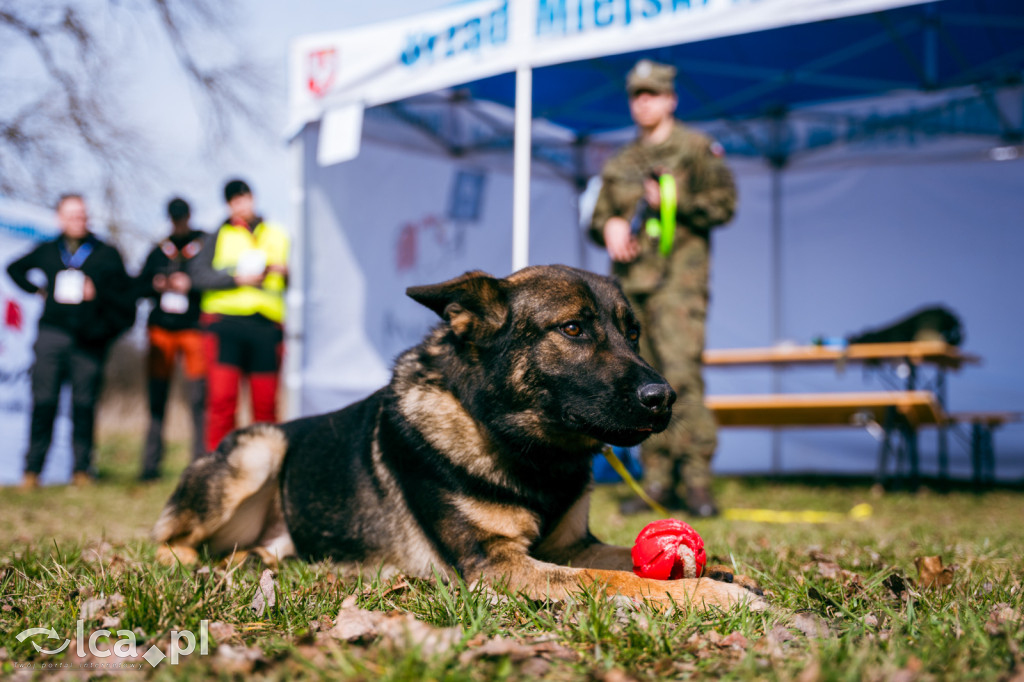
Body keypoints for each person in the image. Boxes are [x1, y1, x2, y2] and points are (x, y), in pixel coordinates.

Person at [589, 60, 737, 518]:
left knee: (681, 376)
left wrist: (677, 200)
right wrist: (609, 225)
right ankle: (655, 480)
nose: (643, 102)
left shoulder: (695, 149)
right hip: (630, 289)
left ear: (671, 98)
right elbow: (599, 217)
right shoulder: (620, 162)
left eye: (652, 93)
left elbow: (724, 205)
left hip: (679, 284)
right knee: (639, 381)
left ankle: (695, 481)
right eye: (636, 94)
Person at [6, 194, 135, 489]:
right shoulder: (49, 250)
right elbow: (14, 269)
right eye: (72, 215)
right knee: (44, 402)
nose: (79, 220)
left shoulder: (106, 253)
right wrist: (38, 290)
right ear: (60, 219)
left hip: (88, 340)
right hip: (52, 334)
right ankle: (32, 472)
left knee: (83, 405)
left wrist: (98, 293)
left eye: (82, 215)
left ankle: (82, 471)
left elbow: (126, 300)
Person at [189, 179, 289, 452]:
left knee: (266, 406)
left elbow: (301, 277)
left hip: (266, 327)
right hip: (225, 325)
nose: (241, 205)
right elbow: (196, 275)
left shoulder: (277, 233)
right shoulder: (217, 235)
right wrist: (236, 279)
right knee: (222, 402)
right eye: (234, 200)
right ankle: (217, 469)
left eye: (244, 198)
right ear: (228, 205)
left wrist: (285, 271)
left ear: (252, 198)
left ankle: (268, 470)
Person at [135, 197, 208, 480]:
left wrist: (190, 285)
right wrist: (157, 285)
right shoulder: (158, 249)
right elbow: (138, 285)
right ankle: (150, 466)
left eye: (182, 217)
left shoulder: (202, 246)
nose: (179, 222)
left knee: (199, 398)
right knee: (156, 397)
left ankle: (200, 464)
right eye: (175, 218)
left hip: (193, 329)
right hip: (161, 330)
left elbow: (210, 279)